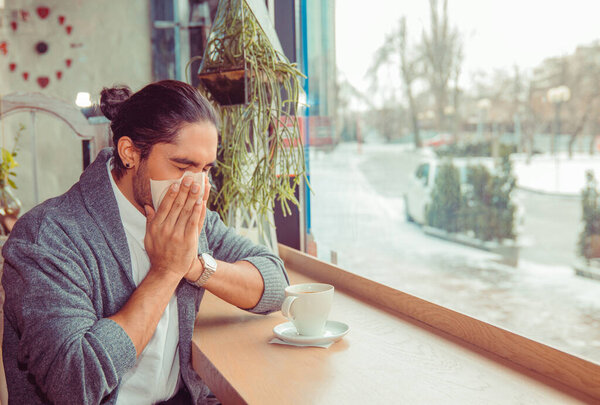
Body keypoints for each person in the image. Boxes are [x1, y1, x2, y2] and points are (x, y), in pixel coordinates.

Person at [1, 80, 289, 404]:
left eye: (205, 169)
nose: (196, 186)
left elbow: (276, 283)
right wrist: (166, 272)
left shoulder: (189, 218)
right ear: (130, 153)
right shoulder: (47, 236)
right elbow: (74, 384)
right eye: (182, 166)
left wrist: (192, 265)